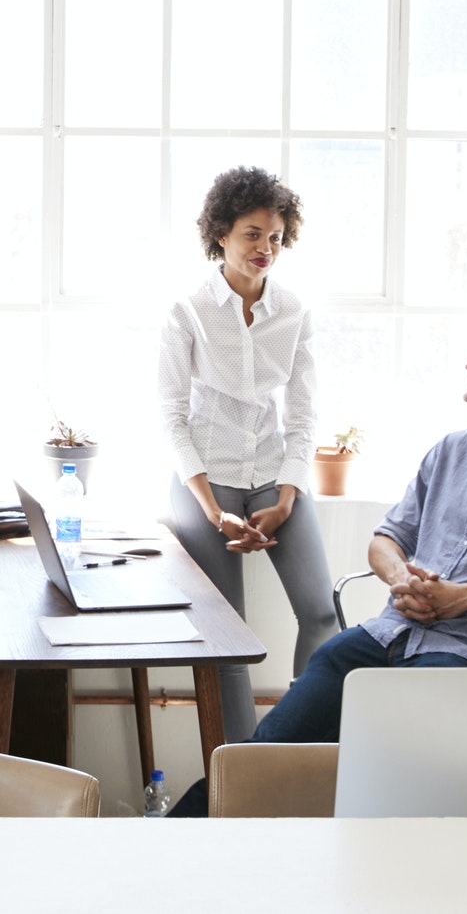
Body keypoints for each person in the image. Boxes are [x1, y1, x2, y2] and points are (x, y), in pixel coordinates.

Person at [169, 314, 467, 816]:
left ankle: (351, 852)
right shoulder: (451, 451)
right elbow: (387, 539)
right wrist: (402, 577)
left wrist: (466, 597)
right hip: (390, 634)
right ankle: (178, 841)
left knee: (377, 763)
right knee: (264, 754)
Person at [158, 165, 337, 742]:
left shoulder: (294, 312)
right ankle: (240, 767)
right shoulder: (187, 313)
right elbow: (171, 417)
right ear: (221, 235)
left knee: (321, 616)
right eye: (253, 234)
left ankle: (298, 747)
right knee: (227, 637)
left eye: (277, 237)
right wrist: (211, 509)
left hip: (274, 475)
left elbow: (304, 414)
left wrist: (286, 497)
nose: (266, 248)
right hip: (205, 483)